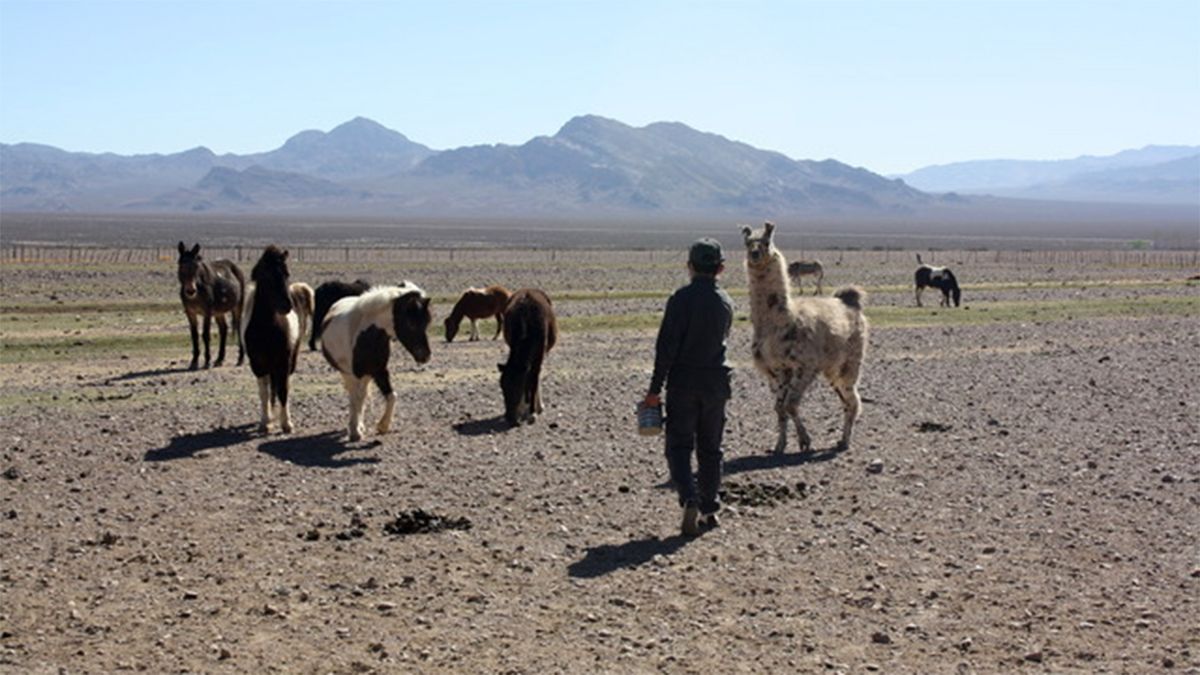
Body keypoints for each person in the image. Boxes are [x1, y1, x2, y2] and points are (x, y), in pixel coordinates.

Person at [644, 237, 735, 536]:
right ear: (720, 268)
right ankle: (709, 509)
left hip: (683, 383)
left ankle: (689, 498)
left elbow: (665, 348)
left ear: (689, 267)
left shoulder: (680, 300)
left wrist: (655, 389)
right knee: (711, 449)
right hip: (717, 383)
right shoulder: (726, 303)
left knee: (679, 446)